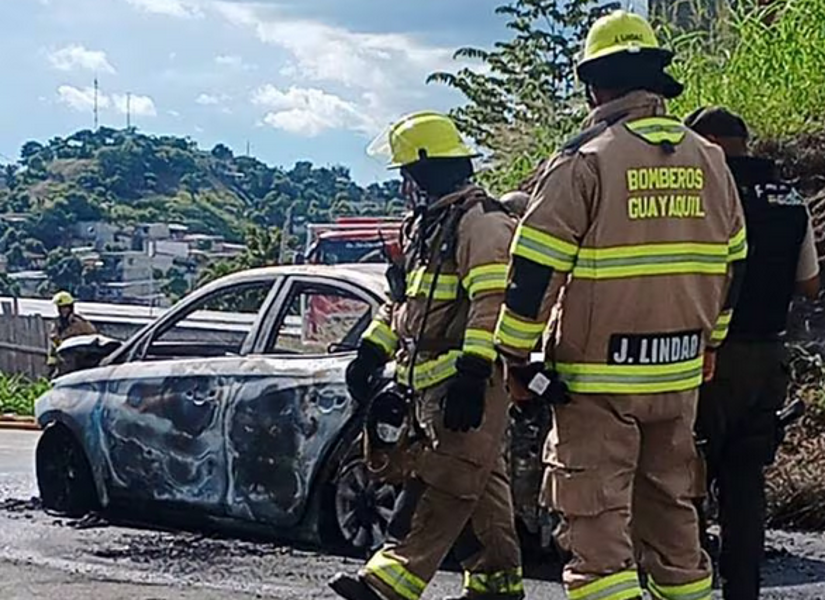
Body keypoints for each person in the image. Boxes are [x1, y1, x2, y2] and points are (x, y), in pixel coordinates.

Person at [493, 10, 747, 600]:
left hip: (597, 382)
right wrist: (711, 344)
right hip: (679, 372)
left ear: (593, 86)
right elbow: (732, 265)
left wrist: (513, 355)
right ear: (656, 83)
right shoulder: (711, 161)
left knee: (598, 532)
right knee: (673, 517)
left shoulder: (586, 161)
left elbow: (534, 271)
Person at [329, 111, 524, 600]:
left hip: (466, 383)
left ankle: (389, 580)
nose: (402, 187)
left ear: (425, 170)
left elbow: (491, 302)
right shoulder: (428, 227)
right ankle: (496, 584)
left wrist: (474, 374)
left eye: (406, 176)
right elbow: (406, 306)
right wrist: (372, 352)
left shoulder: (482, 223)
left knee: (444, 481)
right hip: (430, 383)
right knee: (480, 485)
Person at [684, 106, 820, 600]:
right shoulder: (789, 198)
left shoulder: (703, 193)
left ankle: (688, 585)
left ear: (711, 142)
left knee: (685, 479)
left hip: (704, 357)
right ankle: (744, 590)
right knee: (745, 483)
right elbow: (809, 283)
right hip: (767, 358)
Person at [48, 291, 97, 375]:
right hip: (62, 363)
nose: (62, 311)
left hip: (78, 364)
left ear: (70, 307)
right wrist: (51, 364)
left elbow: (93, 337)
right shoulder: (56, 324)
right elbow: (53, 346)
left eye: (64, 307)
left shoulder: (80, 323)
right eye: (60, 308)